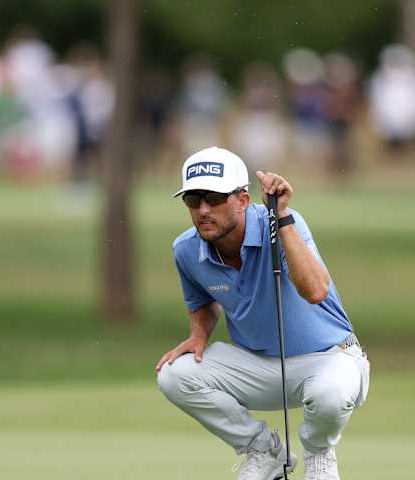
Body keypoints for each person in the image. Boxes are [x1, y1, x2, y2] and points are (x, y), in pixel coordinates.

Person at [156, 147, 370, 480]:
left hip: (329, 359)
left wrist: (282, 220)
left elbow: (315, 290)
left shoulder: (284, 224)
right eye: (192, 199)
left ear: (242, 200)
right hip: (258, 366)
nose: (202, 210)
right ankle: (263, 450)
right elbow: (201, 299)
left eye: (213, 197)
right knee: (174, 374)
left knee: (330, 393)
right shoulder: (186, 249)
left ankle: (318, 453)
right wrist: (198, 334)